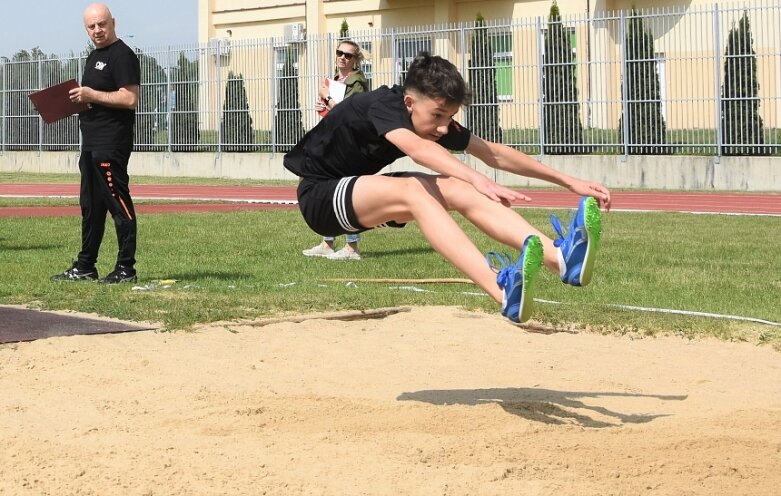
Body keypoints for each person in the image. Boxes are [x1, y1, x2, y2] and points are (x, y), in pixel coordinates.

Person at [284, 53, 611, 323]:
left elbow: (492, 153)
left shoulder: (434, 122)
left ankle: (561, 259)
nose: (443, 127)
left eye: (450, 116)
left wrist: (569, 181)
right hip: (319, 195)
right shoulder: (384, 105)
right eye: (438, 115)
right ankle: (503, 291)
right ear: (409, 102)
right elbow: (418, 150)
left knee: (458, 188)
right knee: (418, 190)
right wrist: (476, 177)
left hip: (356, 190)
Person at [51, 3, 140, 284]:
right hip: (90, 144)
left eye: (102, 24)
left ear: (112, 22)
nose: (97, 30)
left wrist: (91, 93)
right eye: (91, 26)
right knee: (91, 208)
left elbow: (129, 99)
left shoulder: (122, 55)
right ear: (86, 29)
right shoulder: (94, 56)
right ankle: (85, 265)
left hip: (110, 145)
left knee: (118, 204)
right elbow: (94, 98)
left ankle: (126, 268)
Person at [304, 40, 369, 261]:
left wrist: (329, 98)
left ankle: (352, 248)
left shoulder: (357, 83)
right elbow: (333, 112)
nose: (342, 57)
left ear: (355, 59)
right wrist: (322, 107)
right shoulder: (335, 81)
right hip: (332, 140)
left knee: (345, 193)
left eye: (348, 55)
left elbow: (350, 114)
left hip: (348, 145)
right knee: (326, 190)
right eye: (340, 53)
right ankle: (327, 242)